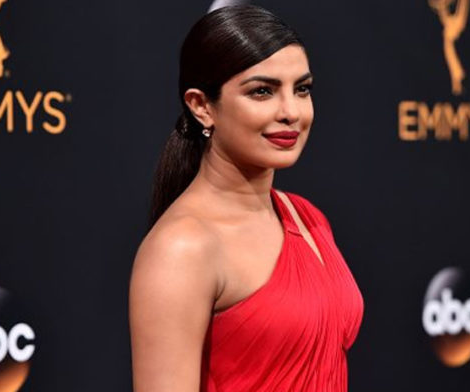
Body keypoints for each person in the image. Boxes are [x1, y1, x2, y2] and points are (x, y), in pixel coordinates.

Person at [129, 5, 363, 391]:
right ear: (202, 106)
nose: (291, 112)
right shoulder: (182, 248)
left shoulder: (307, 218)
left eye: (301, 89)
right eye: (262, 91)